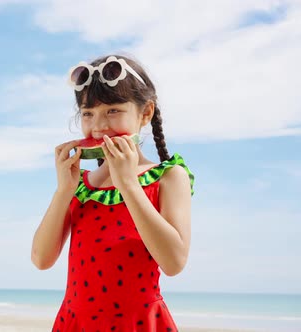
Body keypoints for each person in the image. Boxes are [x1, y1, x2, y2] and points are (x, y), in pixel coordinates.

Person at [31, 54, 195, 331]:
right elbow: (41, 259)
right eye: (88, 114)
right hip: (76, 322)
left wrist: (129, 185)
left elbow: (174, 262)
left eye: (113, 111)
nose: (99, 126)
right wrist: (63, 191)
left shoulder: (168, 177)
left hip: (137, 323)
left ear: (146, 113)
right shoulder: (80, 186)